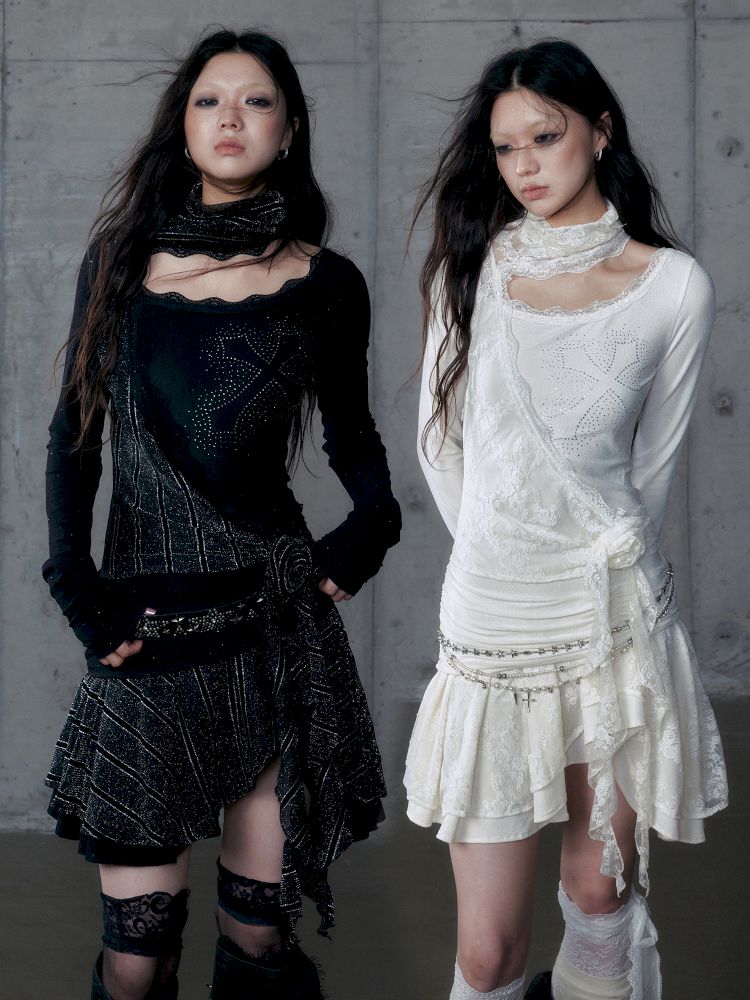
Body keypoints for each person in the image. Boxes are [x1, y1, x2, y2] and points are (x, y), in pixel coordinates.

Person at [43, 27, 400, 1000]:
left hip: (272, 635)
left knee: (258, 939)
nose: (230, 118)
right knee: (138, 958)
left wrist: (372, 527)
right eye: (209, 100)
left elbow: (355, 441)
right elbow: (75, 436)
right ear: (184, 124)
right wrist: (75, 586)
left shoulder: (326, 283)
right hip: (146, 637)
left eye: (255, 101)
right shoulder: (119, 265)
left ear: (289, 128)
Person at [404, 38, 728, 1000]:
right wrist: (505, 555)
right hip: (496, 614)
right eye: (506, 148)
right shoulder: (472, 269)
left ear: (601, 131)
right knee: (488, 953)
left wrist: (591, 563)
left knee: (598, 894)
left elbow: (651, 472)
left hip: (613, 621)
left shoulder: (674, 285)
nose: (526, 166)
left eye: (545, 137)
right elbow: (439, 446)